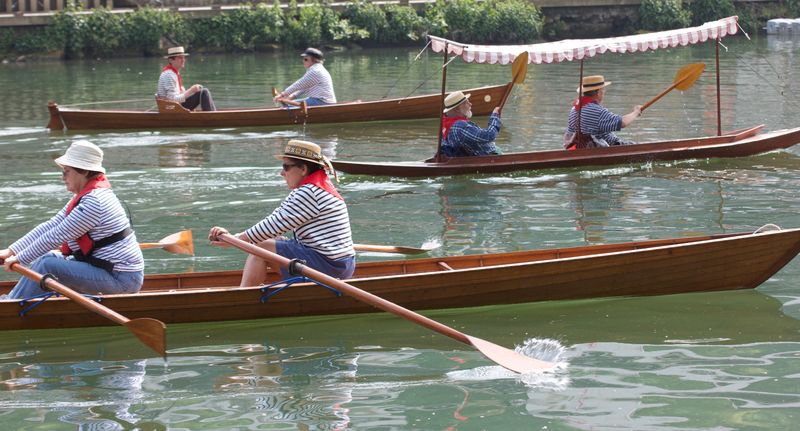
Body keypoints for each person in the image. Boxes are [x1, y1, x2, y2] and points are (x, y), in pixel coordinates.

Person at [0, 141, 144, 300]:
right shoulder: (84, 198)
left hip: (121, 279)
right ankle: (12, 300)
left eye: (66, 172)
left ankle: (10, 307)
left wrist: (20, 259)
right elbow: (52, 225)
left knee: (48, 265)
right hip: (106, 271)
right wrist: (11, 251)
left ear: (83, 172)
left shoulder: (94, 203)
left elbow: (55, 236)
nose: (63, 177)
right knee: (48, 258)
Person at [208, 140, 355, 286]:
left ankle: (242, 298)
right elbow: (274, 224)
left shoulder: (309, 192)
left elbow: (271, 226)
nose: (282, 173)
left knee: (261, 248)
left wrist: (235, 241)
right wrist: (235, 239)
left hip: (331, 268)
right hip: (338, 265)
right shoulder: (316, 186)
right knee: (271, 240)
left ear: (303, 169)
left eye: (286, 167)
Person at [563, 75, 641, 150]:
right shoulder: (597, 111)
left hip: (580, 148)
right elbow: (622, 122)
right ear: (599, 92)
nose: (604, 92)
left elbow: (569, 133)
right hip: (600, 149)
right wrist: (636, 112)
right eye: (603, 90)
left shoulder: (573, 109)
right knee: (638, 147)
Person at [440, 90, 502, 157]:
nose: (470, 104)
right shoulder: (459, 127)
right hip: (485, 157)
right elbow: (489, 135)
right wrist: (495, 115)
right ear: (457, 109)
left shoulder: (445, 124)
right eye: (466, 103)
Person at [156, 46, 217, 112]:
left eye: (183, 57)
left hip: (174, 106)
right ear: (171, 60)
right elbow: (172, 100)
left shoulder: (173, 73)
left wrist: (191, 91)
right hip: (172, 109)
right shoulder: (169, 75)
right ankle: (212, 117)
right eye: (180, 57)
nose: (183, 60)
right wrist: (191, 91)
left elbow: (176, 96)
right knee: (204, 92)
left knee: (202, 91)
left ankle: (212, 115)